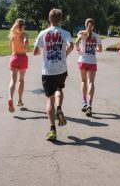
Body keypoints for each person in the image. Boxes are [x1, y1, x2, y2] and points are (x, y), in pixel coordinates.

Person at [33, 8, 74, 141]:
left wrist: (43, 52)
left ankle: (52, 129)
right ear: (61, 20)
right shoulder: (65, 33)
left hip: (48, 70)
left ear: (49, 19)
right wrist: (65, 53)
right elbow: (71, 45)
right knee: (59, 89)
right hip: (61, 69)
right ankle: (60, 108)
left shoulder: (43, 33)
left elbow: (35, 51)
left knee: (49, 99)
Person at [75, 18, 102, 117]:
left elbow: (76, 43)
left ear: (85, 25)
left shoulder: (81, 33)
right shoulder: (97, 36)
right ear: (93, 25)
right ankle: (90, 104)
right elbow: (100, 49)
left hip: (82, 60)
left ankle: (84, 102)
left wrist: (78, 50)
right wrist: (93, 49)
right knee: (91, 82)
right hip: (92, 61)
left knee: (83, 81)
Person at [8, 18, 29, 113]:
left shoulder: (12, 34)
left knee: (13, 80)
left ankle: (10, 98)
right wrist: (26, 45)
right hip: (23, 58)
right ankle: (20, 100)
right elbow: (26, 42)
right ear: (23, 25)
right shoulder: (24, 34)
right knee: (21, 80)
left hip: (14, 57)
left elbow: (10, 46)